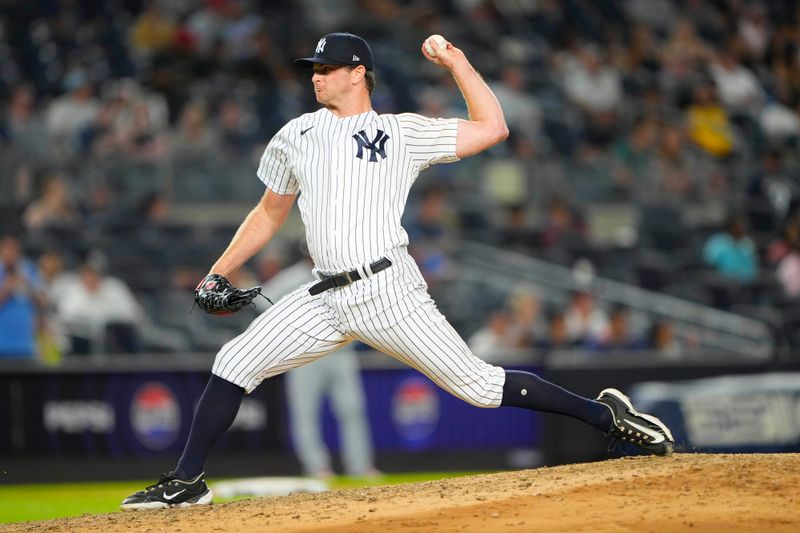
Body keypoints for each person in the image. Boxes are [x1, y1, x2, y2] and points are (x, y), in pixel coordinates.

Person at [121, 32, 674, 510]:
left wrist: (457, 62)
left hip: (387, 290)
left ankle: (605, 416)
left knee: (480, 387)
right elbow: (269, 212)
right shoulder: (296, 134)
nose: (316, 77)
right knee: (234, 359)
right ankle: (186, 482)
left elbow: (493, 128)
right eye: (313, 69)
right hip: (322, 296)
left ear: (358, 73)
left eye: (327, 68)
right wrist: (217, 271)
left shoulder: (400, 131)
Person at [258, 248, 378, 479]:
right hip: (305, 354)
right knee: (306, 413)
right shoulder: (291, 277)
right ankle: (317, 467)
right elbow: (263, 302)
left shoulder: (343, 271)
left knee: (352, 409)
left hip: (341, 351)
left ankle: (360, 466)